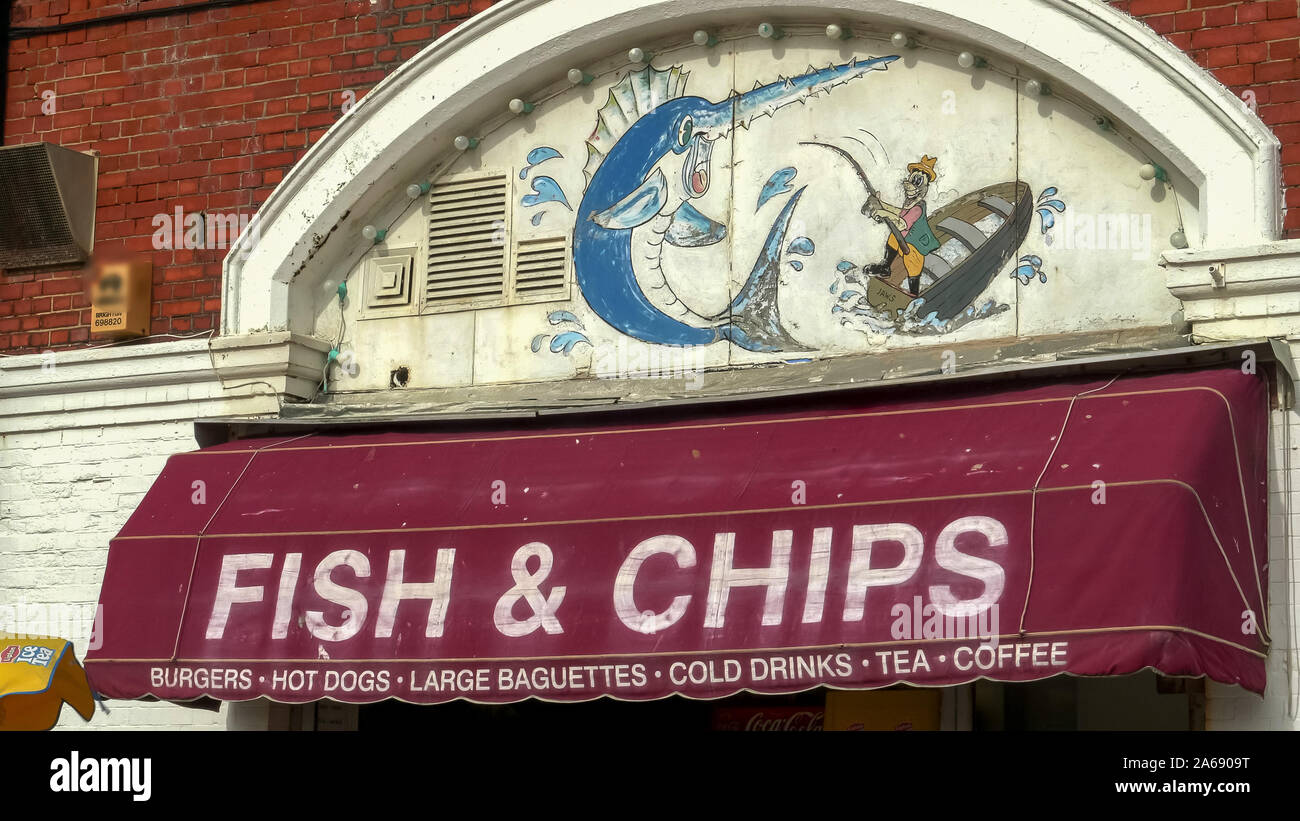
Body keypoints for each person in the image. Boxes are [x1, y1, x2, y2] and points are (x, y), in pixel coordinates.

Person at [861, 155, 941, 296]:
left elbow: (903, 224)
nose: (911, 184)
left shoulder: (918, 208)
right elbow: (899, 212)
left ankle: (914, 294)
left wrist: (883, 212)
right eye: (912, 179)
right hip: (904, 239)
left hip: (915, 244)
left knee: (913, 267)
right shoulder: (910, 203)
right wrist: (881, 205)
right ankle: (885, 267)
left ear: (924, 188)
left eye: (917, 181)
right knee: (893, 239)